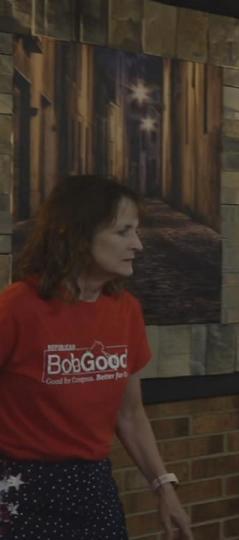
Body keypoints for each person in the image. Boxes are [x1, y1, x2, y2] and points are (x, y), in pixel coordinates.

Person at [0, 175, 191, 539]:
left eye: (136, 231)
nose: (137, 245)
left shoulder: (126, 311)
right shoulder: (16, 307)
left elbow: (130, 414)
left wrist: (164, 489)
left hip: (92, 485)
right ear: (75, 234)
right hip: (19, 486)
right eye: (123, 232)